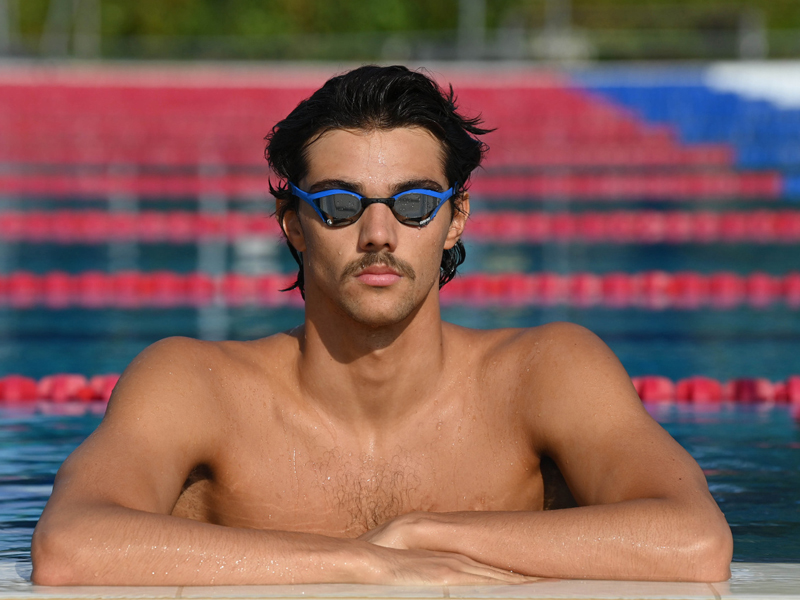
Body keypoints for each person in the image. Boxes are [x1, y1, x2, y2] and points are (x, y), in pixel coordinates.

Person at [31, 65, 732, 586]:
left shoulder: (545, 371)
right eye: (338, 203)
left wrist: (423, 533)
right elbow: (70, 544)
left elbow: (694, 540)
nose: (377, 233)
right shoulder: (194, 385)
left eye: (415, 203)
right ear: (293, 226)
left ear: (456, 217)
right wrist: (360, 563)